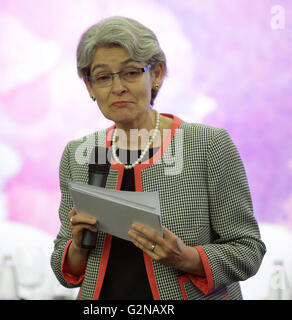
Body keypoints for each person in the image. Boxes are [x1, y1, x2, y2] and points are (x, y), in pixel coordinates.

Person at [51, 16, 266, 300]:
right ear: (90, 87)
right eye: (103, 77)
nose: (118, 87)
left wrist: (186, 257)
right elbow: (63, 267)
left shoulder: (208, 145)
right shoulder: (78, 155)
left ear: (157, 74)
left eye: (130, 72)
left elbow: (248, 249)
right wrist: (78, 246)